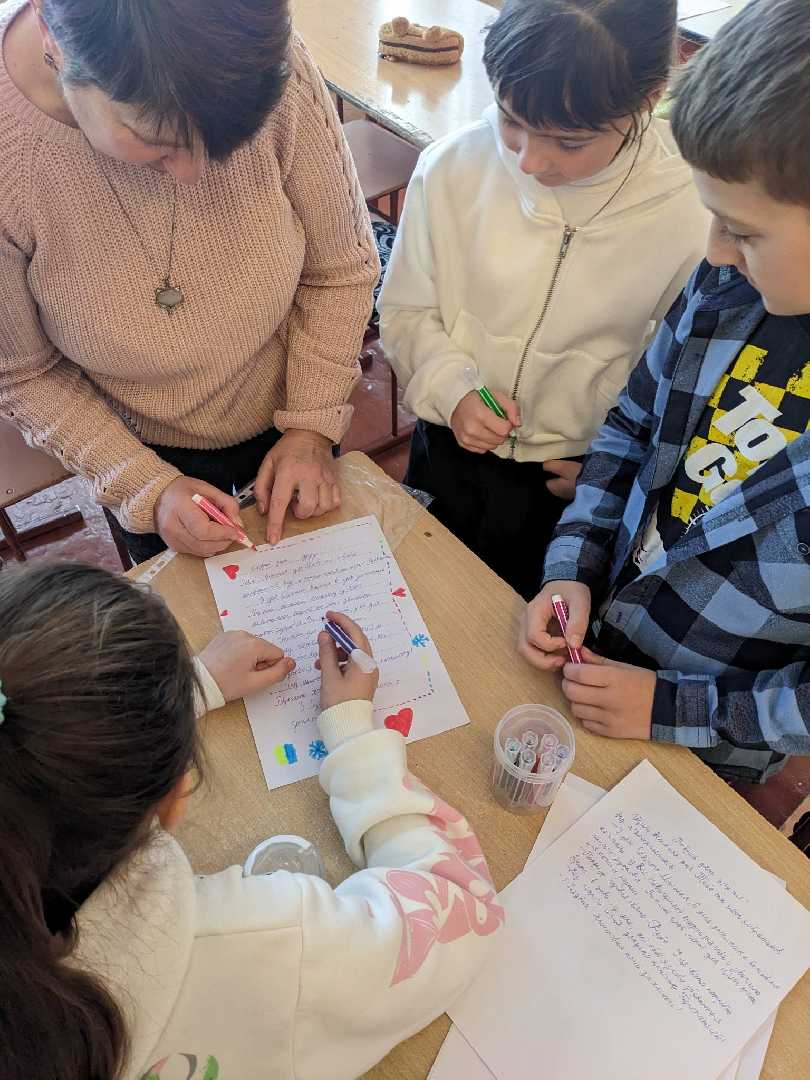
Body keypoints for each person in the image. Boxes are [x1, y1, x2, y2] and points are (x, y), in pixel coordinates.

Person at [0, 562, 502, 1080]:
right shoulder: (266, 942)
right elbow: (462, 907)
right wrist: (352, 732)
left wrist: (191, 687)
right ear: (176, 795)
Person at [519, 0, 810, 785]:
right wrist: (571, 567)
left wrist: (672, 708)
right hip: (602, 644)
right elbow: (628, 429)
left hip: (705, 747)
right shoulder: (728, 286)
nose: (712, 251)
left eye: (742, 231)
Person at [0, 0, 379, 564]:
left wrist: (311, 426)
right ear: (52, 37)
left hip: (296, 414)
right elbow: (23, 373)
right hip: (138, 450)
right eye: (156, 139)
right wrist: (146, 490)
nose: (194, 174)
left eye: (229, 141)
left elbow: (340, 269)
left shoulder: (265, 64)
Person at [378, 0, 708, 600]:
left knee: (526, 628)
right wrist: (453, 389)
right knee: (424, 599)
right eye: (510, 119)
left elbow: (684, 379)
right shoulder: (452, 167)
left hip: (574, 479)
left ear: (649, 97)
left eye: (568, 141)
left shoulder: (693, 208)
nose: (530, 160)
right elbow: (406, 310)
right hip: (449, 442)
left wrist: (617, 474)